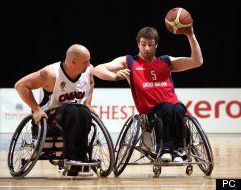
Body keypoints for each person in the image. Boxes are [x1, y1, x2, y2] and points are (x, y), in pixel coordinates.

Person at [94, 26, 203, 162]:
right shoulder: (129, 61)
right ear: (138, 43)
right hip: (150, 112)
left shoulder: (166, 61)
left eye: (150, 45)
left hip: (173, 108)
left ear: (156, 44)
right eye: (143, 44)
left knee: (179, 108)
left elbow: (197, 61)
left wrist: (190, 35)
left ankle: (179, 150)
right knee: (168, 107)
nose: (147, 48)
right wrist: (114, 76)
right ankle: (165, 149)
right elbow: (97, 69)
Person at [15, 44, 95, 175]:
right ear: (73, 61)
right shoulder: (50, 74)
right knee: (73, 110)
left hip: (75, 113)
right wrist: (36, 109)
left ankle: (79, 158)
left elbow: (91, 82)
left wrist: (88, 103)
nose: (89, 64)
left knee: (84, 111)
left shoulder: (88, 71)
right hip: (48, 118)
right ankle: (71, 160)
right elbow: (20, 85)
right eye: (86, 62)